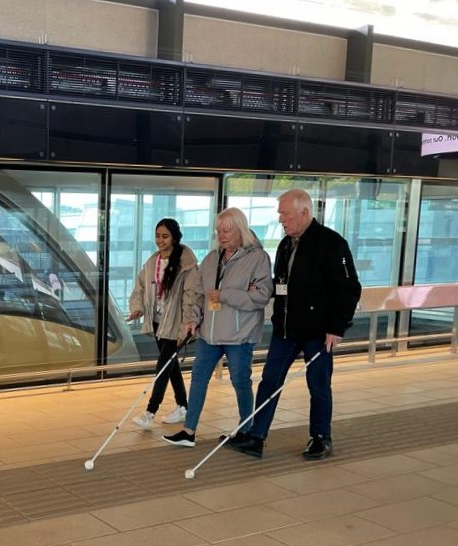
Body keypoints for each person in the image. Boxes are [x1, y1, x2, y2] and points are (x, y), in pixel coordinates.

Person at [229, 189, 362, 460]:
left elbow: (348, 288)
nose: (281, 219)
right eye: (280, 214)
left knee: (318, 385)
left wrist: (337, 327)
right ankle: (257, 436)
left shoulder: (331, 243)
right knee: (270, 382)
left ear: (304, 212)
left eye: (285, 213)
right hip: (286, 331)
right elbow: (282, 285)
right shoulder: (285, 244)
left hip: (318, 332)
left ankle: (321, 438)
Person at [162, 208, 272, 447]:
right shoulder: (212, 258)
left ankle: (247, 429)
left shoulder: (258, 258)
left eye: (226, 230)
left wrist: (226, 295)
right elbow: (200, 295)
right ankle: (188, 431)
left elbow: (262, 296)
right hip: (209, 333)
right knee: (198, 378)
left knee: (240, 381)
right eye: (218, 231)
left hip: (239, 334)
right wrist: (192, 319)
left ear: (240, 229)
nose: (221, 235)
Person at [128, 218, 197, 429]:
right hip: (157, 321)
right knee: (171, 365)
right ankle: (183, 406)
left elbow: (191, 294)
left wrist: (187, 323)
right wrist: (137, 308)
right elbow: (140, 286)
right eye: (158, 236)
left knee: (163, 366)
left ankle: (150, 411)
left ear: (175, 237)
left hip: (176, 324)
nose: (160, 240)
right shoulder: (153, 261)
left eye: (165, 236)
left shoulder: (186, 261)